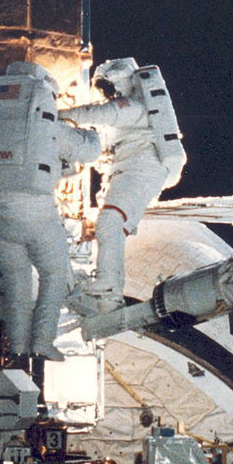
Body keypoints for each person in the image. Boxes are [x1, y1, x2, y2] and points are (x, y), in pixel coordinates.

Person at [0, 61, 101, 366]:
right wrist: (88, 129)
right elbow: (89, 151)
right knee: (54, 276)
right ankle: (41, 343)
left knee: (16, 284)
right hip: (38, 217)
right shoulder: (46, 124)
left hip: (0, 220)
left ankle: (17, 348)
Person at [60, 58, 186, 312]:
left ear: (121, 81)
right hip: (129, 169)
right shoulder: (126, 114)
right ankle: (107, 289)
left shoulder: (133, 107)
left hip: (142, 168)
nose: (107, 93)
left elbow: (97, 112)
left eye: (109, 86)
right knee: (110, 225)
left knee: (110, 223)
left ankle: (108, 287)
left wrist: (57, 116)